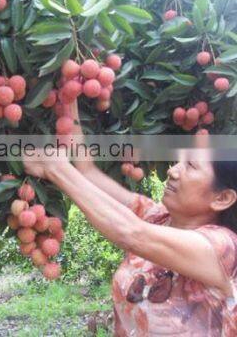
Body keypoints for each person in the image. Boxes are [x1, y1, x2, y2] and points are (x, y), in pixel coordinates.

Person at [23, 100, 237, 336]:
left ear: (223, 198)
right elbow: (88, 172)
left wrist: (56, 169)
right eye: (178, 162)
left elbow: (131, 233)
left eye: (191, 166)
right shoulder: (157, 217)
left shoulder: (222, 248)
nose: (173, 170)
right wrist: (69, 104)